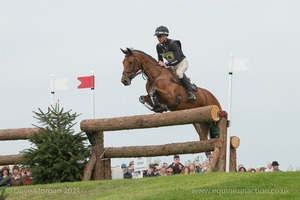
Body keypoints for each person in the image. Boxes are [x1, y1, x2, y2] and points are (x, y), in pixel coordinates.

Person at [154, 25, 196, 101]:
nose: (158, 38)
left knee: (179, 73)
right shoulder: (158, 47)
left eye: (160, 36)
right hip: (171, 65)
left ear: (165, 36)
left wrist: (166, 64)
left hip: (181, 62)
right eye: (157, 36)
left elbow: (177, 59)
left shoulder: (173, 44)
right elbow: (160, 60)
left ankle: (191, 92)